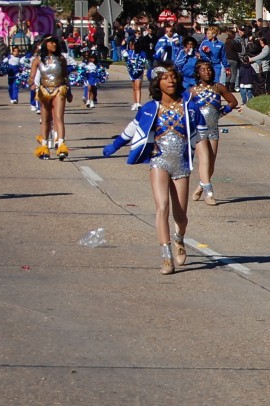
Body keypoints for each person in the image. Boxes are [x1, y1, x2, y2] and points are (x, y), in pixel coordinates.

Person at [102, 63, 208, 274]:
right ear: (157, 83)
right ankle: (166, 256)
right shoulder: (150, 108)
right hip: (158, 161)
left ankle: (179, 238)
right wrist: (114, 146)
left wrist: (204, 163)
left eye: (173, 77)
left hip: (182, 164)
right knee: (162, 207)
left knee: (181, 215)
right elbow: (131, 129)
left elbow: (201, 136)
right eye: (165, 78)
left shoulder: (190, 107)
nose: (170, 81)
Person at [190, 60, 238, 205]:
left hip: (213, 129)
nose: (207, 72)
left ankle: (201, 185)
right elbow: (186, 108)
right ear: (198, 73)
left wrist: (221, 113)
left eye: (209, 69)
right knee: (204, 160)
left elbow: (233, 102)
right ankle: (209, 193)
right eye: (203, 70)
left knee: (211, 163)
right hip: (199, 130)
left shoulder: (219, 87)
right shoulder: (192, 91)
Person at [29, 36, 73, 160]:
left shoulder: (61, 58)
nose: (54, 44)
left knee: (58, 117)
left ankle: (61, 146)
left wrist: (69, 91)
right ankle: (44, 148)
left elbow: (65, 76)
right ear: (45, 45)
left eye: (55, 42)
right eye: (51, 42)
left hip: (59, 89)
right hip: (44, 91)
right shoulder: (37, 60)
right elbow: (31, 77)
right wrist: (29, 81)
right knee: (45, 120)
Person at [123, 39, 147, 111]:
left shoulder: (142, 53)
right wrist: (123, 45)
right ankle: (135, 102)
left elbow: (144, 61)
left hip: (139, 72)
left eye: (132, 44)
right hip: (131, 72)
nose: (130, 46)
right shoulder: (130, 52)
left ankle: (138, 103)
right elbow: (124, 54)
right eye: (130, 45)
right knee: (134, 87)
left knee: (138, 86)